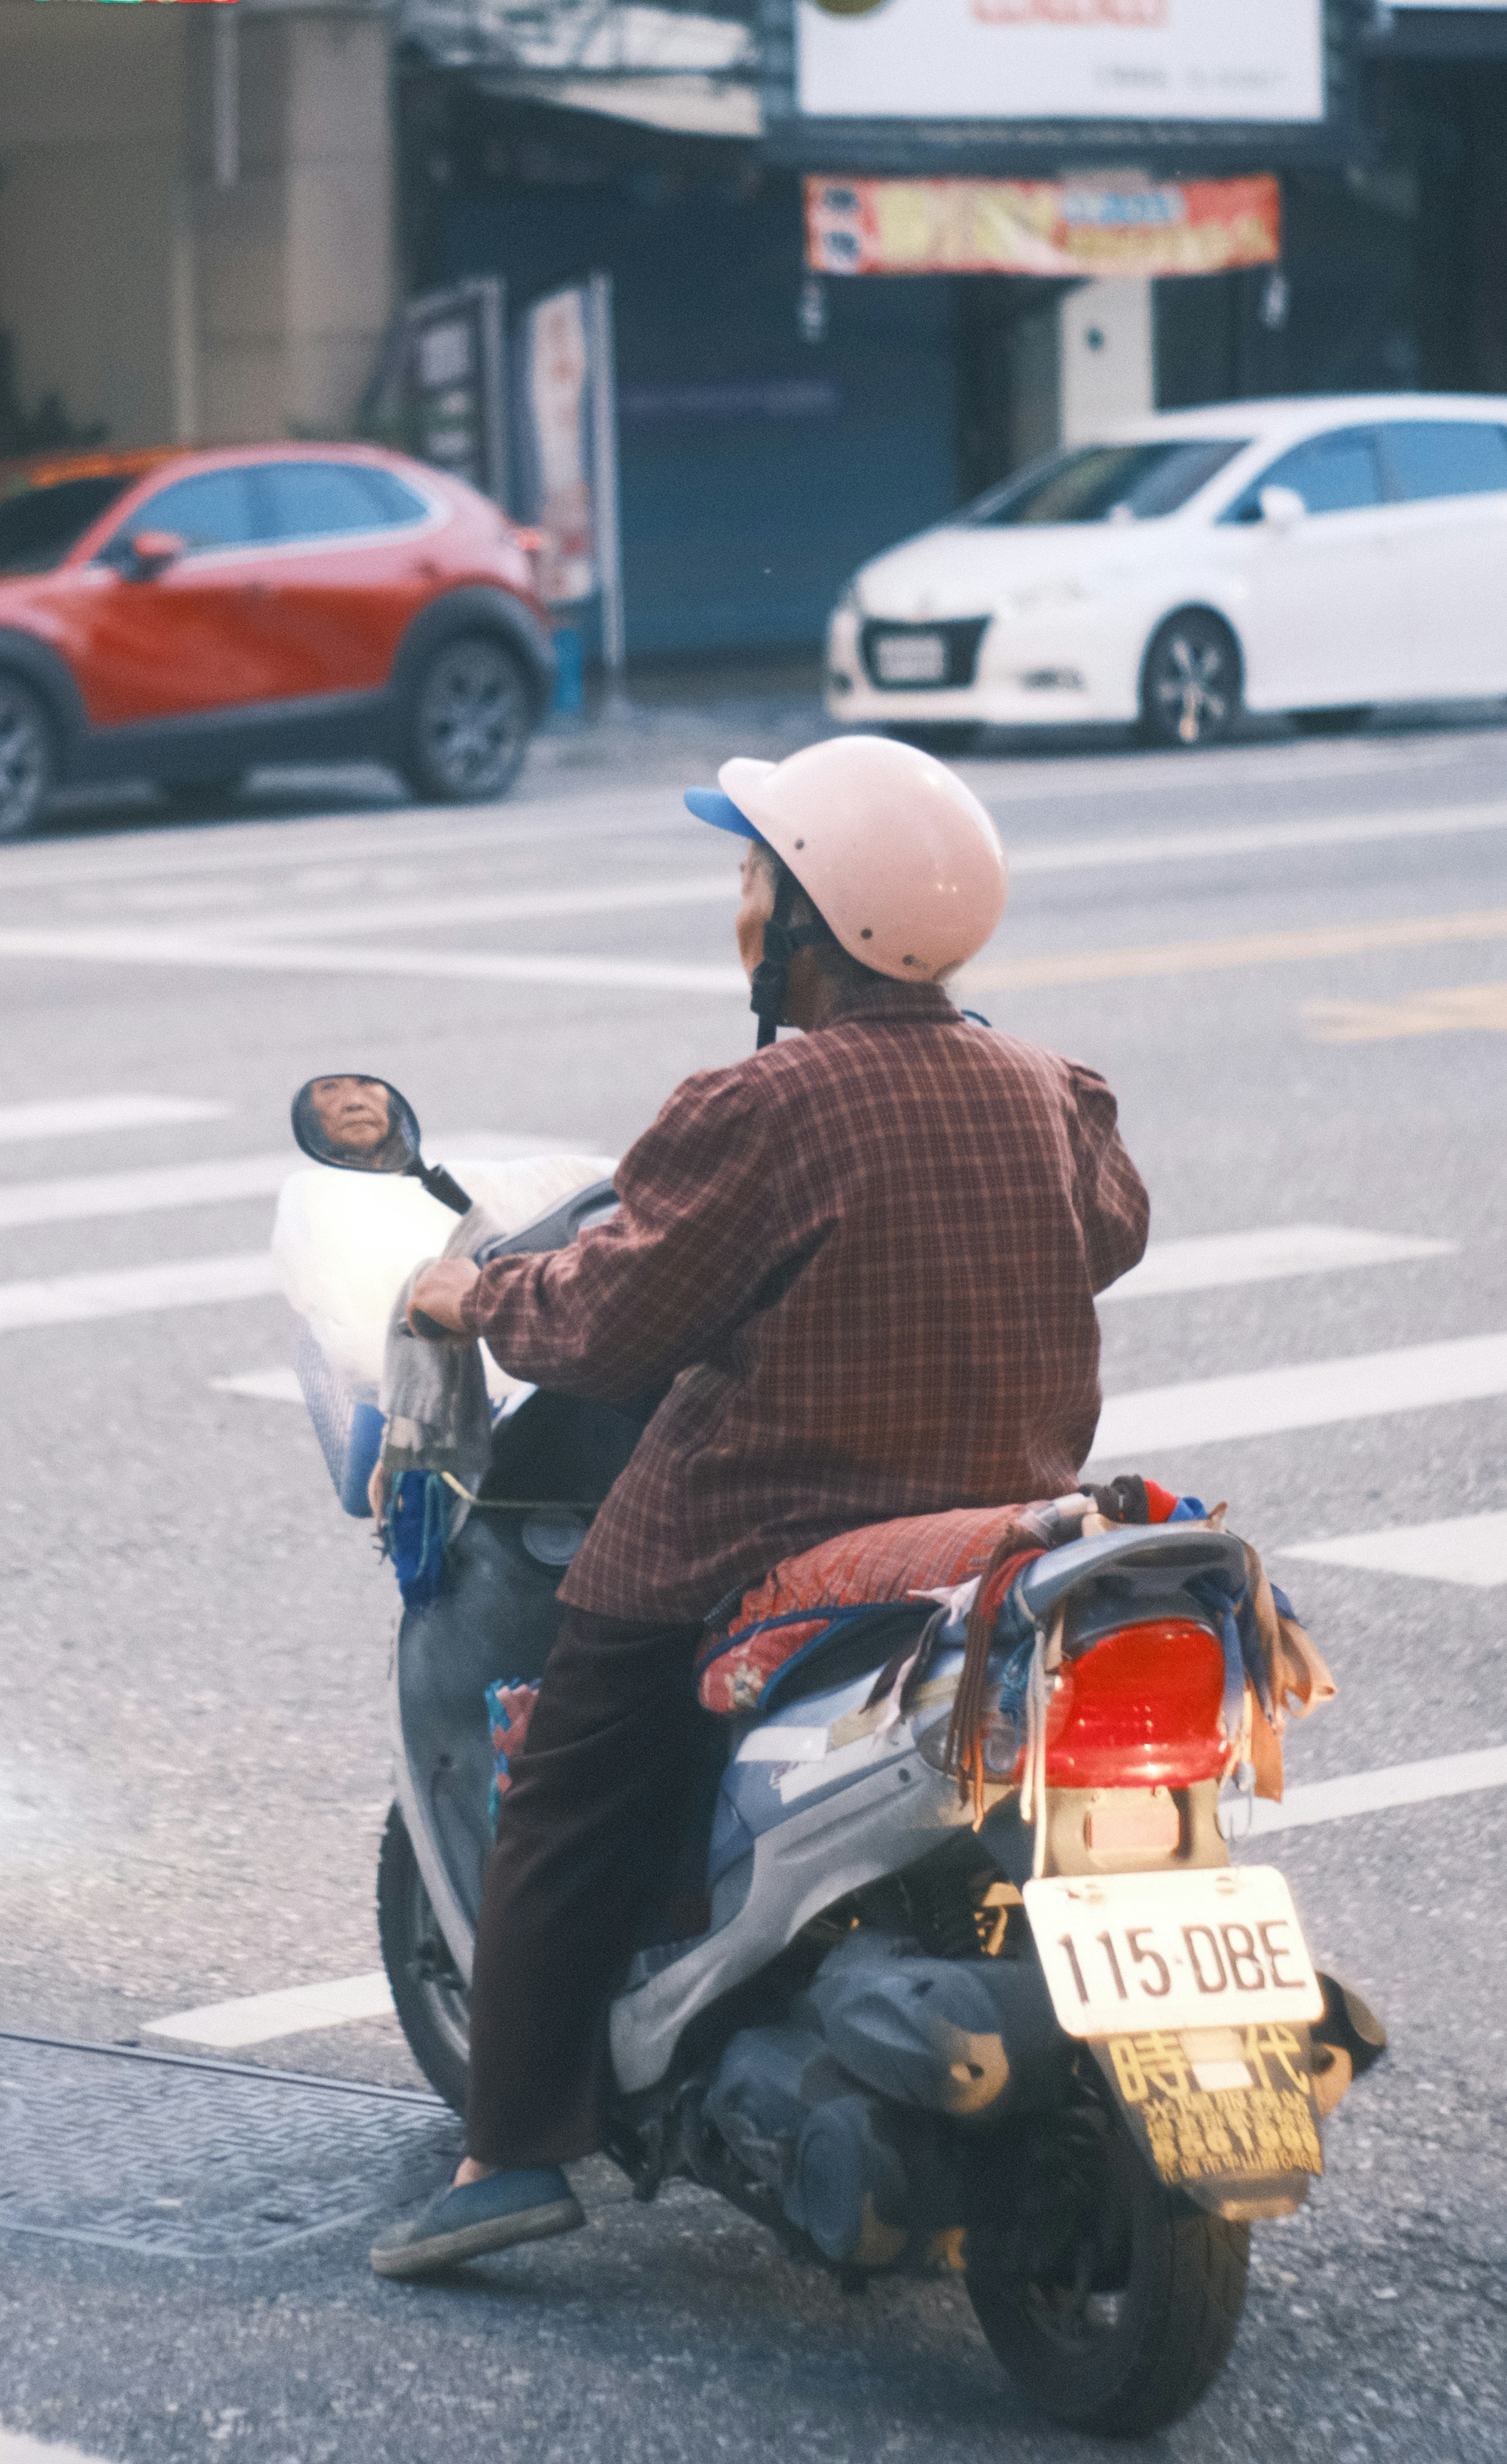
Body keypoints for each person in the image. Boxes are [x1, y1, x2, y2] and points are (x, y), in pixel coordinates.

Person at [368, 734, 1148, 2281]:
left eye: (754, 882)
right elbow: (1107, 1238)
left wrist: (475, 1293)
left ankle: (510, 2152)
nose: (741, 911)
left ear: (815, 922)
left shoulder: (764, 1106)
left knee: (569, 1791)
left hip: (753, 1540)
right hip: (1000, 1526)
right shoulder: (1048, 1089)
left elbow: (612, 1318)